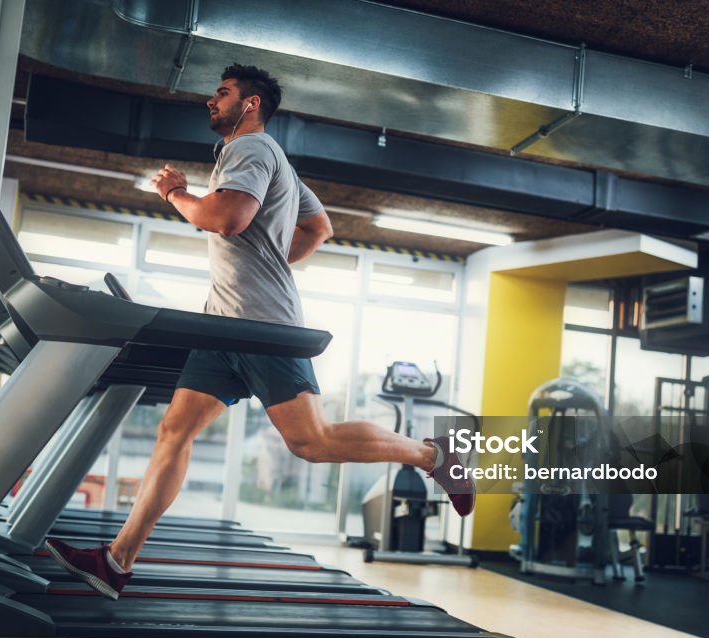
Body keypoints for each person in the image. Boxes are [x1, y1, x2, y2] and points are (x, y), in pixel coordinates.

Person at [45, 64, 475, 600]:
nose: (211, 101)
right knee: (173, 431)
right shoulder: (277, 164)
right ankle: (116, 561)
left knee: (311, 443)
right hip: (223, 326)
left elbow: (225, 219)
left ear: (250, 105)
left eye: (221, 93)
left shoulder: (252, 150)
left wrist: (175, 194)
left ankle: (434, 457)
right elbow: (320, 227)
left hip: (263, 328)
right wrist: (274, 259)